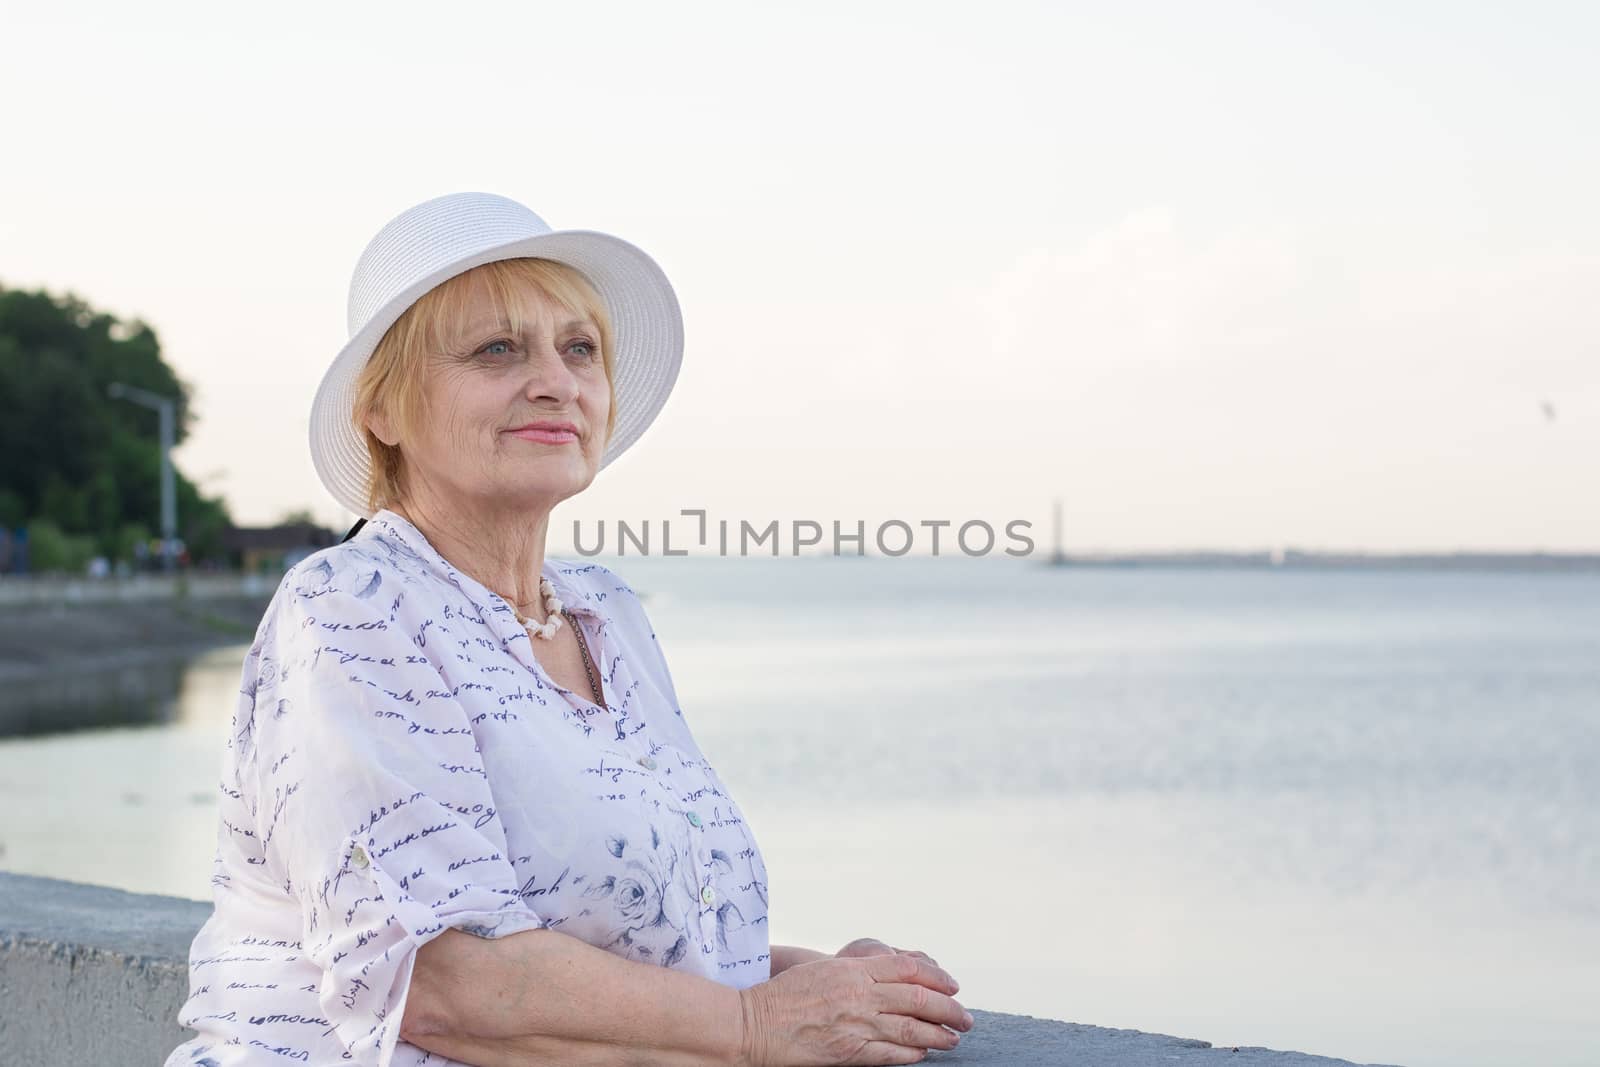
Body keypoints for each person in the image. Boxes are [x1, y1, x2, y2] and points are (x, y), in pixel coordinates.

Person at [166, 191, 973, 1066]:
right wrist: (760, 1027)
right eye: (497, 349)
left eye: (579, 348)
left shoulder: (604, 611)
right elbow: (440, 985)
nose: (556, 378)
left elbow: (636, 952)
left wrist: (831, 989)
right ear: (384, 413)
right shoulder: (351, 608)